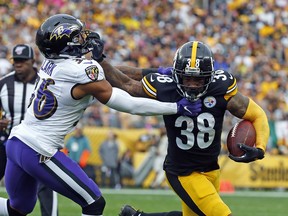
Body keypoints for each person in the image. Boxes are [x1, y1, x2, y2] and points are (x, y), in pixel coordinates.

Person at [0, 14, 200, 216]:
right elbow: (128, 102)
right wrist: (175, 107)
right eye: (77, 37)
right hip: (38, 150)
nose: (83, 40)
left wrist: (151, 72)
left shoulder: (52, 63)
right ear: (64, 43)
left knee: (17, 209)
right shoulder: (81, 72)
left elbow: (106, 75)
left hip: (16, 143)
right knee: (94, 202)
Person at [99, 41, 270, 216]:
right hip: (183, 172)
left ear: (209, 76)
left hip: (211, 169)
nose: (192, 84)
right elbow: (126, 82)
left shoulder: (221, 88)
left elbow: (257, 114)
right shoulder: (167, 87)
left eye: (198, 79)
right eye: (187, 78)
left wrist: (260, 148)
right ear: (176, 74)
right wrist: (99, 61)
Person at [0, 44, 58, 216]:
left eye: (22, 61)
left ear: (33, 61)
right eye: (16, 61)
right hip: (7, 142)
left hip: (37, 144)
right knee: (19, 198)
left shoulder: (46, 83)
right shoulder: (4, 83)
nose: (18, 64)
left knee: (46, 185)